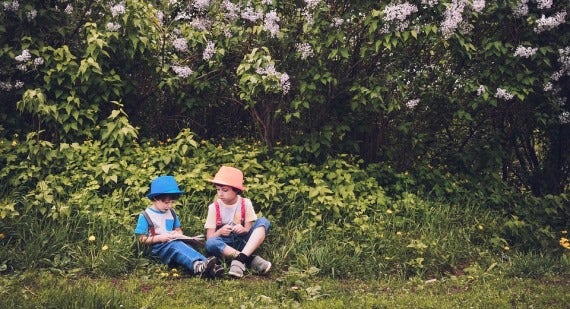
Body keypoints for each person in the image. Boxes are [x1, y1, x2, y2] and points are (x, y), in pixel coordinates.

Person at [134, 175, 223, 278]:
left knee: (186, 246)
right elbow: (141, 239)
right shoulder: (146, 215)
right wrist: (158, 238)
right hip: (157, 249)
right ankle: (198, 267)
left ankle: (210, 267)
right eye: (166, 202)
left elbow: (178, 229)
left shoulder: (171, 213)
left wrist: (178, 234)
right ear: (155, 198)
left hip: (172, 244)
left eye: (172, 202)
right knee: (175, 246)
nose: (169, 206)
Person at [204, 166, 272, 278]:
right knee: (211, 243)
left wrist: (244, 230)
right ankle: (246, 259)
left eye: (225, 190)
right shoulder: (214, 207)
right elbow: (210, 238)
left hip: (243, 242)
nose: (220, 194)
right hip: (225, 245)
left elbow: (248, 230)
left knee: (263, 221)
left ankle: (241, 258)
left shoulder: (245, 203)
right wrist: (220, 231)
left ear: (236, 190)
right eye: (218, 189)